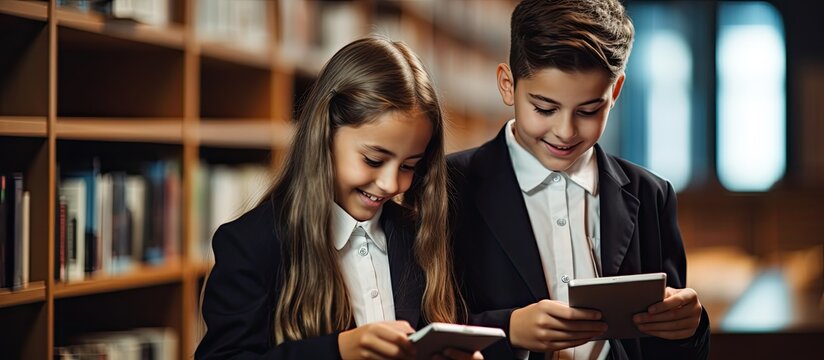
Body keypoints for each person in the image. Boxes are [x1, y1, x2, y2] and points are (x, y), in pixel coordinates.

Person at [447, 0, 710, 359]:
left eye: (588, 111)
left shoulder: (651, 195)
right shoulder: (448, 187)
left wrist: (689, 328)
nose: (565, 131)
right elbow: (424, 324)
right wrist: (509, 330)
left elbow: (668, 345)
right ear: (508, 85)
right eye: (544, 108)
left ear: (614, 92)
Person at [196, 36, 480, 360]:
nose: (389, 184)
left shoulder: (418, 237)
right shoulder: (251, 244)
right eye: (373, 160)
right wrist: (340, 350)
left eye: (409, 166)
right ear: (324, 135)